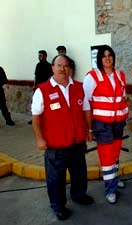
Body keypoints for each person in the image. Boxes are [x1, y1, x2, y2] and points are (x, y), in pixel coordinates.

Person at [31, 55, 94, 221]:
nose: (62, 69)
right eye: (59, 65)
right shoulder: (42, 90)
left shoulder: (79, 87)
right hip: (55, 145)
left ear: (70, 69)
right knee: (56, 179)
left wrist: (89, 129)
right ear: (52, 68)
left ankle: (79, 195)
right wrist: (39, 139)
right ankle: (58, 206)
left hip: (77, 142)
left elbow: (86, 109)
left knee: (79, 173)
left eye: (66, 66)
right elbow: (36, 118)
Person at [83, 45, 128, 204]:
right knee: (107, 156)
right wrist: (88, 128)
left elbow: (122, 97)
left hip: (118, 122)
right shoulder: (92, 77)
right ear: (99, 59)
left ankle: (114, 179)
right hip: (102, 124)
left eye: (110, 55)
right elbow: (86, 104)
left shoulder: (120, 75)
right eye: (104, 56)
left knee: (115, 154)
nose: (107, 58)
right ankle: (110, 189)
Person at [28, 50, 53, 125]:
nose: (39, 57)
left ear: (45, 56)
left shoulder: (49, 65)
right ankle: (34, 118)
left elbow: (50, 77)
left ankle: (45, 119)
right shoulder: (38, 65)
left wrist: (47, 86)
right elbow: (36, 75)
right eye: (39, 56)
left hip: (45, 87)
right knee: (35, 103)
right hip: (37, 87)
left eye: (41, 55)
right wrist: (34, 84)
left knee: (45, 103)